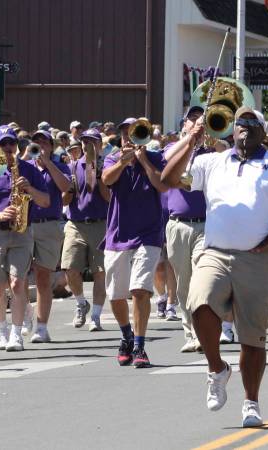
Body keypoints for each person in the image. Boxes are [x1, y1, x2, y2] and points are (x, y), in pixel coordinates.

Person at [161, 106, 268, 427]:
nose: (245, 127)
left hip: (258, 259)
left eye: (252, 123)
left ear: (263, 131)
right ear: (232, 131)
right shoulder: (212, 162)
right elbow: (167, 179)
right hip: (215, 252)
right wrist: (191, 142)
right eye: (240, 123)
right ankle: (216, 369)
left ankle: (251, 402)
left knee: (252, 336)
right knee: (199, 305)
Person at [101, 117, 171, 368]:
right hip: (118, 233)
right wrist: (123, 161)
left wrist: (142, 160)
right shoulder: (112, 158)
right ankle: (126, 336)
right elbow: (107, 180)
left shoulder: (154, 158)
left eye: (135, 133)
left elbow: (162, 186)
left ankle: (140, 345)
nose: (130, 138)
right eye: (125, 134)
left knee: (140, 290)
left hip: (148, 233)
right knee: (116, 294)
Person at [0, 129, 50, 353]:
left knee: (17, 283)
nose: (8, 148)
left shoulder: (29, 170)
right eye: (3, 144)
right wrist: (0, 215)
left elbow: (46, 201)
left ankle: (15, 333)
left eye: (11, 143)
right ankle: (1, 329)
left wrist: (29, 189)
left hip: (22, 232)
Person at [163, 105, 216, 352]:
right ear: (183, 124)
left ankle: (208, 331)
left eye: (200, 120)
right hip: (178, 225)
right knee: (184, 284)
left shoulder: (213, 151)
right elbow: (167, 159)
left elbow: (228, 152)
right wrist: (190, 141)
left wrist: (207, 141)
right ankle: (191, 333)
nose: (196, 123)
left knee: (202, 280)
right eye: (191, 120)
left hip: (206, 224)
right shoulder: (172, 148)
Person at [25, 130, 72, 344]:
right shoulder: (25, 166)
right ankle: (24, 316)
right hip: (24, 225)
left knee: (44, 277)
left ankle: (41, 327)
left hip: (49, 225)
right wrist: (27, 157)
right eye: (36, 142)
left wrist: (47, 163)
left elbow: (65, 187)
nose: (40, 146)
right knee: (18, 277)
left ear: (51, 147)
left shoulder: (59, 166)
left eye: (44, 142)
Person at [61, 129, 110, 332]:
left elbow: (109, 198)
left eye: (92, 141)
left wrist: (99, 176)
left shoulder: (107, 165)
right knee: (70, 268)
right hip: (76, 223)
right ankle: (81, 303)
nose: (88, 145)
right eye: (85, 141)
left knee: (100, 272)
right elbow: (63, 200)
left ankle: (96, 316)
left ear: (100, 145)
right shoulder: (72, 167)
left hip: (101, 223)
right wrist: (69, 188)